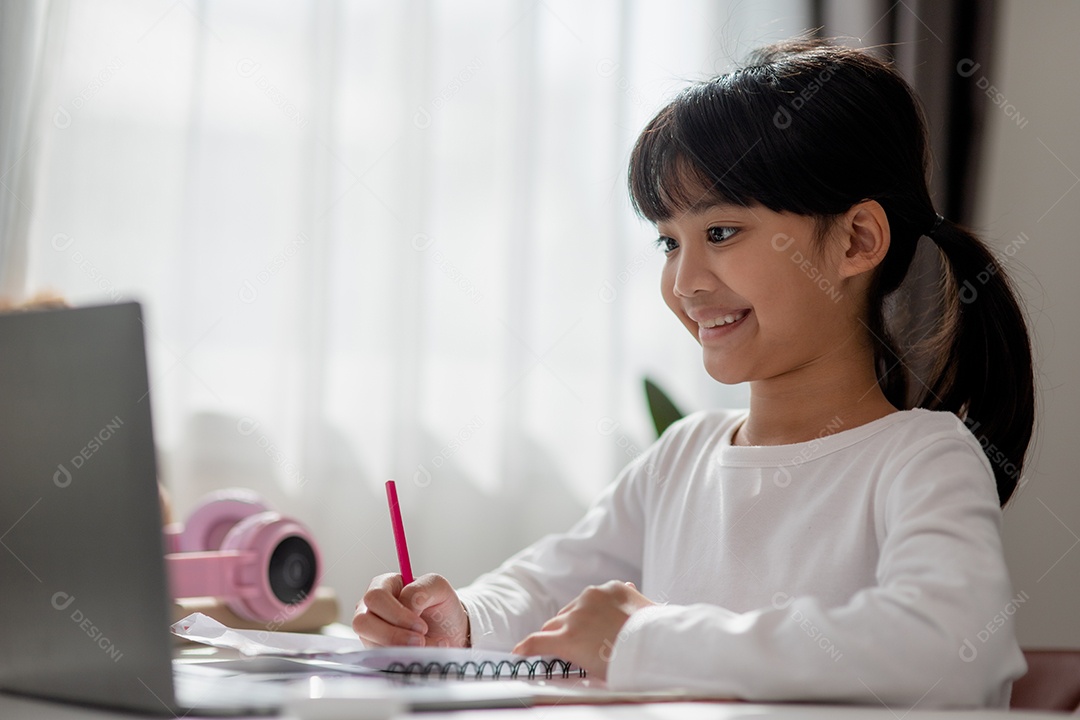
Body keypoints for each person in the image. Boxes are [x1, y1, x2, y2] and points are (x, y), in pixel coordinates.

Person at [352, 37, 1034, 709]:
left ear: (857, 240)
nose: (685, 281)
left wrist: (646, 640)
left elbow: (949, 649)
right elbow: (546, 586)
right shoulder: (683, 456)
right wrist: (463, 619)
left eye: (720, 234)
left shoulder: (921, 457)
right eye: (668, 241)